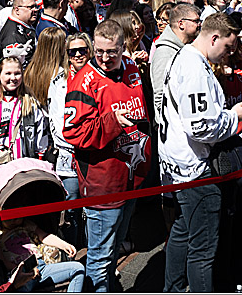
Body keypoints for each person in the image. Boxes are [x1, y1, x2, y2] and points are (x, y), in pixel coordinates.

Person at [159, 13, 242, 294]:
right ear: (214, 38)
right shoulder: (194, 68)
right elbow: (201, 128)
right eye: (227, 47)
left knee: (182, 232)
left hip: (180, 165)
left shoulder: (186, 58)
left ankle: (173, 289)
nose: (228, 54)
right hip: (196, 169)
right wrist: (234, 117)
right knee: (203, 249)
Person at [63, 20, 151, 292]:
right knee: (100, 258)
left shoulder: (132, 67)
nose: (104, 58)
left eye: (111, 51)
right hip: (103, 184)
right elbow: (74, 133)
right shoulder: (83, 82)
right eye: (99, 51)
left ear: (123, 47)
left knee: (115, 249)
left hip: (132, 175)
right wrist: (112, 121)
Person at [49, 32, 92, 247]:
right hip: (69, 155)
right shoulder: (59, 81)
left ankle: (94, 251)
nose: (77, 55)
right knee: (72, 206)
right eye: (72, 51)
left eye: (82, 50)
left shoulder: (98, 76)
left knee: (94, 206)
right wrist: (75, 144)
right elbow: (56, 122)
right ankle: (75, 250)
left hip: (93, 153)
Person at [0, 56, 50, 169]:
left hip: (21, 169)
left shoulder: (30, 103)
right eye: (8, 73)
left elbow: (41, 138)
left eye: (17, 73)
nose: (13, 78)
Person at [0, 214, 85, 293]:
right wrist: (25, 271)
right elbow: (3, 261)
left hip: (40, 267)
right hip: (20, 274)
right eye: (9, 218)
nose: (13, 221)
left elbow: (44, 236)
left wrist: (65, 245)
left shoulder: (26, 225)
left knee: (78, 269)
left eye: (17, 217)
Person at [149, 2, 201, 116]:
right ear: (181, 24)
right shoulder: (164, 53)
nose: (199, 25)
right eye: (196, 21)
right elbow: (160, 97)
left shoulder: (188, 48)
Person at [0, 0, 38, 66]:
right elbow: (17, 66)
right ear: (17, 10)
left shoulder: (25, 25)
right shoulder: (13, 34)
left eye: (36, 6)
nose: (35, 10)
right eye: (31, 7)